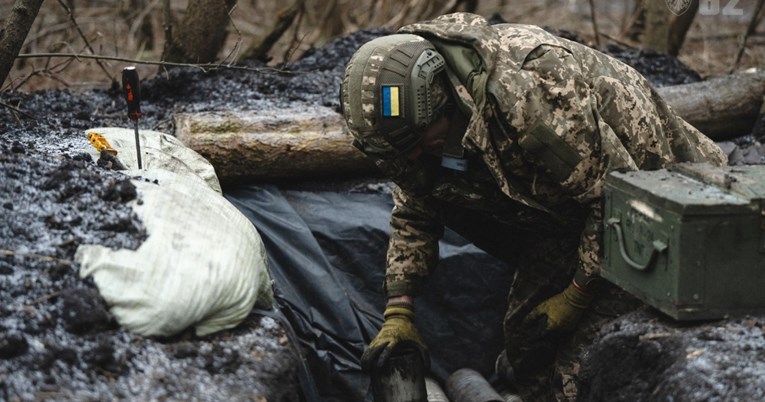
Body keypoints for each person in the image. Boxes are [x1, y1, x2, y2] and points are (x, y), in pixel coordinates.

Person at [339, 12, 727, 382]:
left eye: (417, 144)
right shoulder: (410, 136)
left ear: (443, 99)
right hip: (560, 216)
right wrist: (399, 310)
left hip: (660, 206)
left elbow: (614, 199)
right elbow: (415, 207)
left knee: (585, 366)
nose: (410, 158)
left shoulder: (531, 94)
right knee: (529, 342)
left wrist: (575, 296)